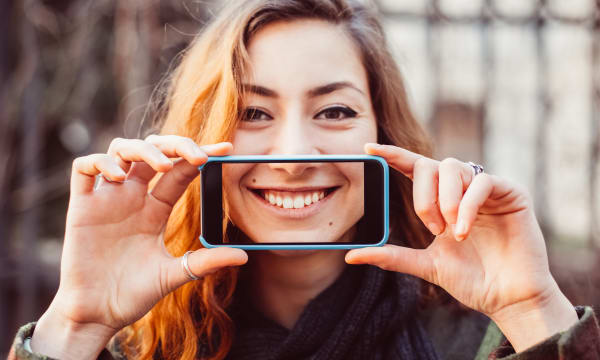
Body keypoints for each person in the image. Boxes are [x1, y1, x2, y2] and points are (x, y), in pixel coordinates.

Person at [9, 0, 600, 359]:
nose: (293, 154)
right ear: (198, 140)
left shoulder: (485, 346)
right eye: (252, 113)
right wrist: (78, 324)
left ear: (384, 129)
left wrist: (531, 313)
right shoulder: (132, 349)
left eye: (335, 111)